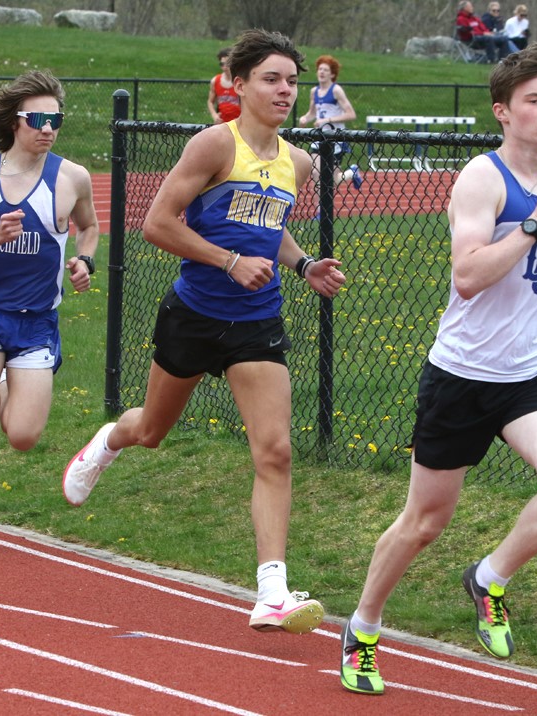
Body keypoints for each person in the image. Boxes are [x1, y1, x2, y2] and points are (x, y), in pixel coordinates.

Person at [62, 29, 346, 635]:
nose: (285, 91)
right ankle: (111, 439)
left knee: (275, 450)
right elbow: (156, 225)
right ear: (237, 85)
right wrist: (226, 261)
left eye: (291, 81)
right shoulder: (214, 146)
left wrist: (301, 266)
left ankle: (271, 591)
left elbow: (271, 227)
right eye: (271, 79)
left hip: (257, 321)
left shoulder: (296, 162)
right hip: (193, 315)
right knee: (154, 430)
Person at [339, 43, 537, 696]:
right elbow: (469, 275)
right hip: (463, 375)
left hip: (530, 374)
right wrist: (533, 225)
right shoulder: (482, 179)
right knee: (424, 521)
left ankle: (489, 577)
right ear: (502, 112)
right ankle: (363, 628)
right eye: (535, 101)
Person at [0, 69, 99, 554]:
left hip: (37, 323)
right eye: (38, 118)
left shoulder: (72, 178)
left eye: (56, 119)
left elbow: (89, 228)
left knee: (25, 436)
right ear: (16, 121)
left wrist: (84, 261)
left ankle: (10, 380)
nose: (49, 128)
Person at [297, 54, 363, 196]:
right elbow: (312, 113)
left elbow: (351, 114)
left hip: (335, 138)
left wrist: (329, 120)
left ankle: (352, 172)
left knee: (334, 179)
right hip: (320, 137)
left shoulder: (336, 90)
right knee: (315, 171)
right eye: (320, 69)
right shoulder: (314, 92)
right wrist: (305, 118)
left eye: (325, 70)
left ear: (332, 74)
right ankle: (319, 211)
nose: (321, 72)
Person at [208, 47, 241, 124]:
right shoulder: (215, 81)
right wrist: (214, 115)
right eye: (222, 64)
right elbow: (210, 102)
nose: (225, 67)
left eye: (227, 64)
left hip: (239, 123)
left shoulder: (240, 81)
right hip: (222, 123)